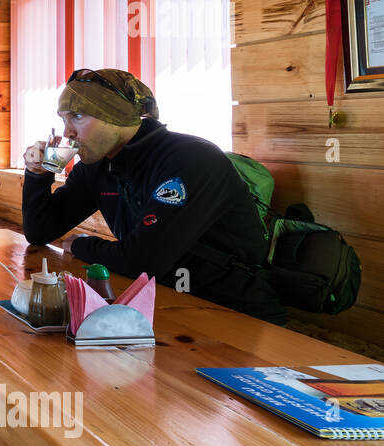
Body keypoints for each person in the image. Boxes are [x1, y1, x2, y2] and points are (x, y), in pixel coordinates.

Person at [21, 68, 286, 324]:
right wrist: (37, 174)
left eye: (77, 116)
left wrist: (79, 244)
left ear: (115, 116)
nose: (67, 132)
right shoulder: (99, 166)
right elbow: (40, 231)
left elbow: (142, 260)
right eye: (63, 119)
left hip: (233, 312)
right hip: (157, 300)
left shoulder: (189, 159)